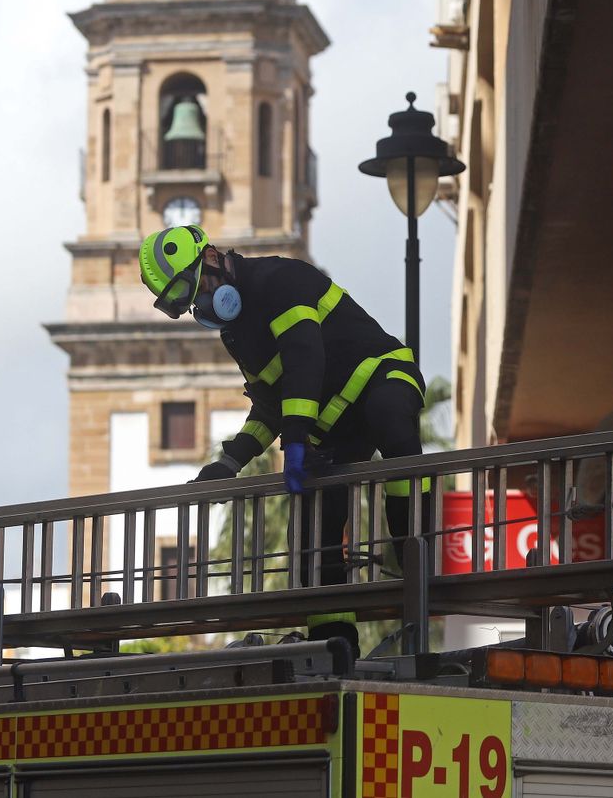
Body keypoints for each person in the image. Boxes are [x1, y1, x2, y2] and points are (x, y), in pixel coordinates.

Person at [137, 224, 432, 645]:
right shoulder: (236, 333)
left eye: (195, 288)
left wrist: (295, 439)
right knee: (315, 528)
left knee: (392, 424)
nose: (200, 304)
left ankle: (416, 558)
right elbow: (269, 406)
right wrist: (229, 462)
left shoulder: (280, 280)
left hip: (383, 376)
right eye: (188, 304)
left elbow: (304, 358)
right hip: (333, 423)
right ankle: (334, 642)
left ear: (213, 257)